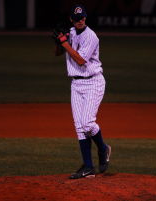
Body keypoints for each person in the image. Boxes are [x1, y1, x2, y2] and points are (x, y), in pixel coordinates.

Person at [53, 4, 111, 179]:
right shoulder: (70, 32)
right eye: (77, 18)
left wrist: (64, 42)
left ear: (86, 17)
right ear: (72, 19)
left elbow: (79, 60)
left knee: (87, 123)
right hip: (76, 85)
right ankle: (88, 167)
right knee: (79, 127)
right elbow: (58, 53)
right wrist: (59, 42)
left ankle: (103, 149)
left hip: (93, 82)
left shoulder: (91, 36)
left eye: (83, 18)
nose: (80, 21)